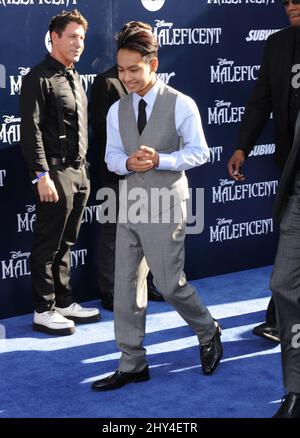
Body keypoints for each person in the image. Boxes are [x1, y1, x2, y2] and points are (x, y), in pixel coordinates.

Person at [92, 21, 223, 391]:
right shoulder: (116, 110)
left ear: (154, 63)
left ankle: (208, 329)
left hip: (167, 203)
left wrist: (159, 160)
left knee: (168, 283)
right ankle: (132, 361)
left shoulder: (181, 103)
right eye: (121, 69)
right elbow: (111, 157)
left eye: (134, 68)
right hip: (130, 201)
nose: (127, 77)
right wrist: (127, 164)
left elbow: (200, 152)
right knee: (126, 285)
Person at [228, 0, 300, 417]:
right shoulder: (276, 45)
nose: (291, 6)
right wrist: (242, 145)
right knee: (285, 284)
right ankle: (295, 390)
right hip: (296, 183)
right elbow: (261, 101)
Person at [20, 9, 100, 336]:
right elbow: (31, 130)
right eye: (72, 37)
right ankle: (43, 308)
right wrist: (41, 176)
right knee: (48, 244)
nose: (78, 43)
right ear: (54, 37)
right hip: (54, 172)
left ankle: (64, 301)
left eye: (82, 37)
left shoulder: (74, 77)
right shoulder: (38, 78)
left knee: (67, 241)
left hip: (80, 172)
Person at [91, 60, 164, 311]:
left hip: (148, 172)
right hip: (117, 171)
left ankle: (148, 283)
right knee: (113, 232)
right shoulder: (106, 81)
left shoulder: (155, 84)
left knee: (149, 230)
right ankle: (109, 290)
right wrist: (131, 151)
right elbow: (100, 130)